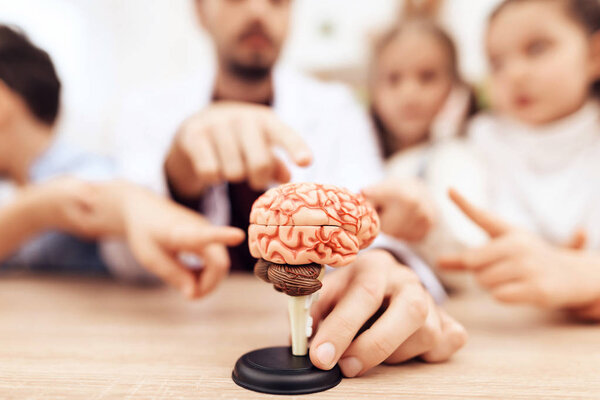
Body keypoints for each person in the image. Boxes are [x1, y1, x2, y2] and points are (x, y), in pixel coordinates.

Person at [112, 0, 467, 377]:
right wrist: (177, 175)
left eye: (278, 1)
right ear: (200, 10)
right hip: (173, 341)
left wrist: (386, 271)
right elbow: (121, 252)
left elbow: (370, 227)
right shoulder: (146, 109)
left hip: (319, 326)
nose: (259, 12)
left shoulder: (338, 109)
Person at [0, 25, 246, 298]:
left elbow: (100, 195)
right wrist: (35, 208)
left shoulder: (86, 170)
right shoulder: (19, 190)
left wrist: (135, 206)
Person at [438, 0, 600, 319]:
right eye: (497, 63)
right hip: (502, 330)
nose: (514, 73)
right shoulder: (478, 144)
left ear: (594, 55)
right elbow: (454, 250)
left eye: (537, 48)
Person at [363, 15, 484, 290]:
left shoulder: (455, 158)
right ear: (373, 90)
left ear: (455, 87)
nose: (409, 93)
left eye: (427, 77)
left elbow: (469, 269)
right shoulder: (364, 155)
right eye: (393, 79)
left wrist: (425, 229)